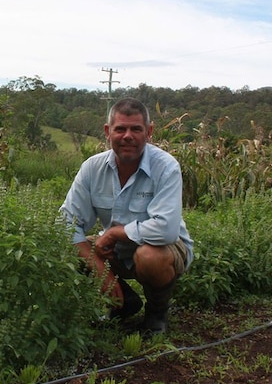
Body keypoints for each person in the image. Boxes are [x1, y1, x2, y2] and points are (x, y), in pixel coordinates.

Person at [60, 97, 193, 336]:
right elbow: (66, 224)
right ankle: (124, 303)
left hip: (165, 248)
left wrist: (113, 232)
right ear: (107, 132)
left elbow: (166, 230)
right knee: (68, 248)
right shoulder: (92, 168)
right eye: (120, 129)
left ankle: (156, 315)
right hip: (115, 250)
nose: (127, 136)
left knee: (149, 256)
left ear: (149, 132)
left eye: (136, 129)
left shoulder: (166, 167)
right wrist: (100, 268)